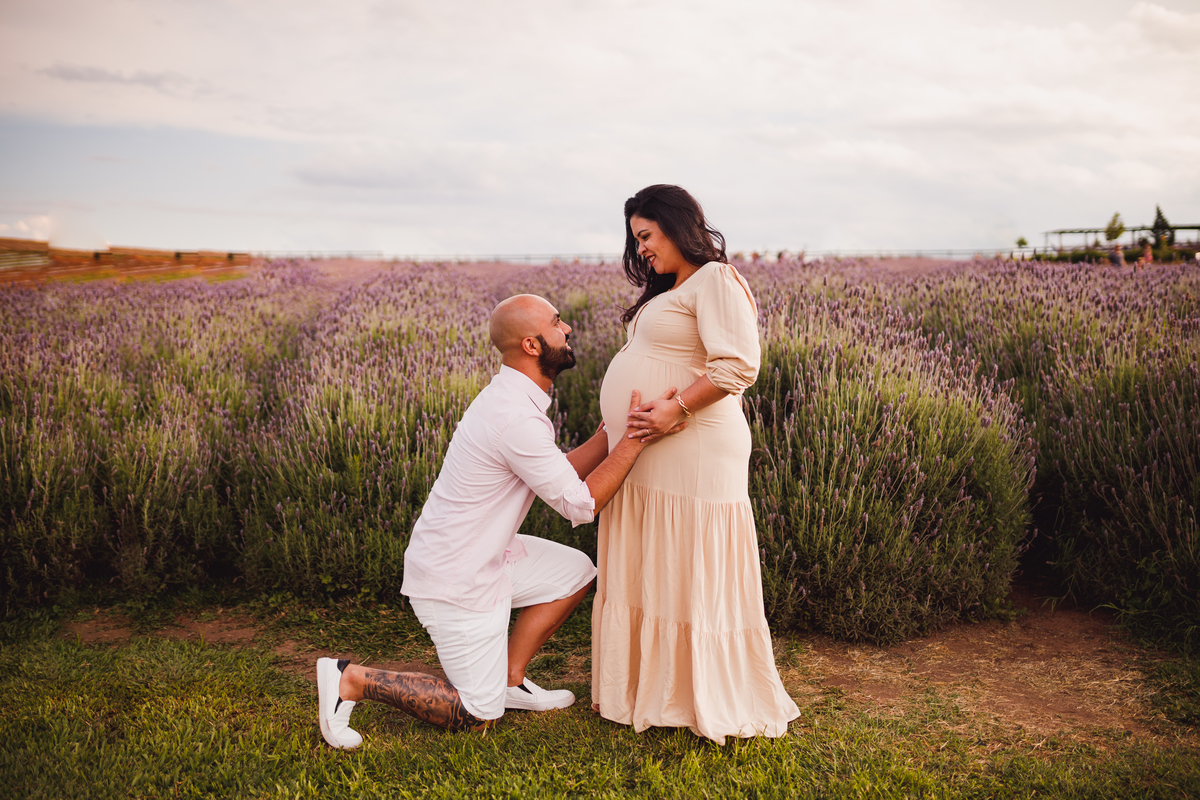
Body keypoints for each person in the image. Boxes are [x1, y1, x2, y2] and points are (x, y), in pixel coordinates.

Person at [317, 294, 685, 749]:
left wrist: (610, 433)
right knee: (476, 714)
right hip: (454, 579)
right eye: (556, 323)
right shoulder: (513, 416)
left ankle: (511, 680)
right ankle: (349, 679)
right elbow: (580, 504)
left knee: (576, 571)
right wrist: (637, 436)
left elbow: (557, 473)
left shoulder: (514, 400)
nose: (567, 329)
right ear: (532, 345)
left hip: (485, 556)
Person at [591, 185, 800, 744]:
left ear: (676, 224)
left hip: (693, 444)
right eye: (636, 240)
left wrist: (674, 409)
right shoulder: (673, 288)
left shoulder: (715, 279)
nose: (641, 250)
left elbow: (737, 365)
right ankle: (650, 687)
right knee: (656, 559)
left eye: (646, 236)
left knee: (687, 559)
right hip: (652, 447)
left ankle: (695, 690)